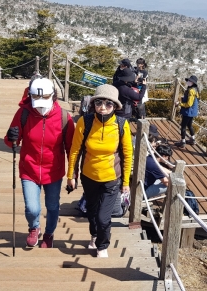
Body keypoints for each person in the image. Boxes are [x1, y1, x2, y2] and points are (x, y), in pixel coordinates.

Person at [4, 78, 75, 248]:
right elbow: (11, 142)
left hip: (54, 171)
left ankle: (49, 233)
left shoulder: (64, 117)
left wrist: (73, 175)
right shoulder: (24, 113)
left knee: (52, 206)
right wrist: (11, 137)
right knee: (32, 208)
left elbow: (71, 149)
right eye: (36, 97)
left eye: (45, 97)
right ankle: (34, 228)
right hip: (29, 169)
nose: (41, 103)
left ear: (53, 96)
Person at [67, 84, 133, 258]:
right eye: (99, 103)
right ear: (93, 104)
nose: (103, 108)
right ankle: (94, 236)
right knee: (92, 211)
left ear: (115, 106)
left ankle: (102, 245)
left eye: (108, 104)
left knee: (103, 217)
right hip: (88, 176)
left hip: (111, 178)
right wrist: (70, 176)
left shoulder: (121, 124)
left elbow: (127, 154)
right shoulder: (85, 121)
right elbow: (75, 150)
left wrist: (125, 182)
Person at [175, 75, 200, 149]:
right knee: (189, 125)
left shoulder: (191, 91)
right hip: (193, 111)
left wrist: (179, 103)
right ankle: (193, 139)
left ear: (193, 83)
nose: (188, 82)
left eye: (190, 81)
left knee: (183, 126)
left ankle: (182, 142)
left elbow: (189, 104)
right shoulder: (195, 89)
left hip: (188, 111)